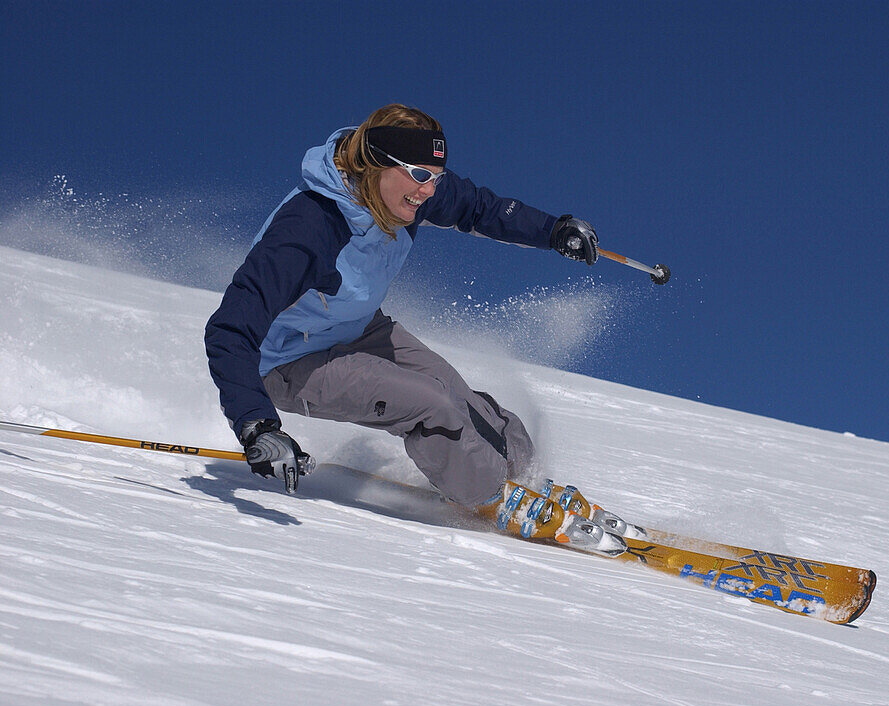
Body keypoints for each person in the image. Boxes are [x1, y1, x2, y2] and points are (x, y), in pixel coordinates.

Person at [205, 104, 620, 549]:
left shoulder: (404, 193)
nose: (429, 191)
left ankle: (524, 480)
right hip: (289, 360)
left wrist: (553, 231)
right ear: (377, 164)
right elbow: (230, 325)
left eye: (436, 176)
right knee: (431, 404)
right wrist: (256, 425)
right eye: (420, 175)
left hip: (357, 327)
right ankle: (488, 496)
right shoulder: (310, 227)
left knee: (465, 399)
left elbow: (480, 208)